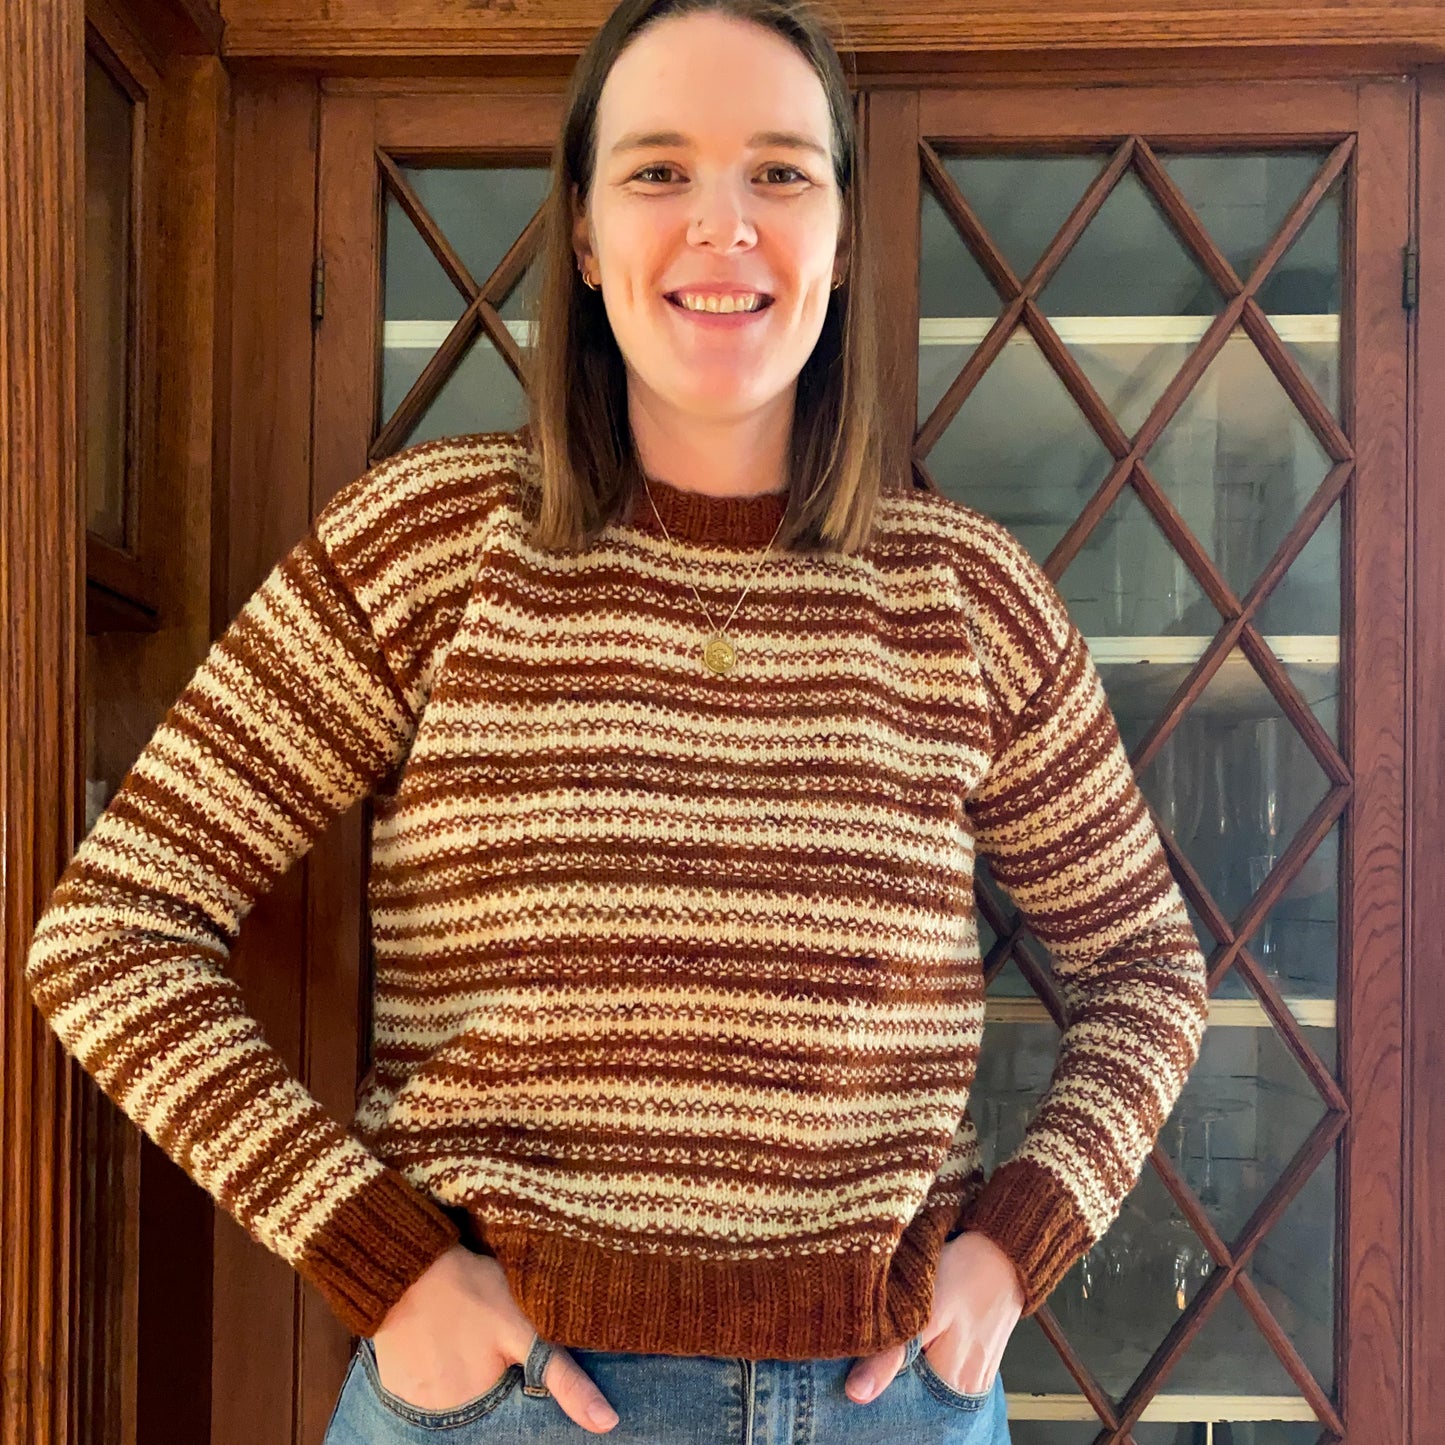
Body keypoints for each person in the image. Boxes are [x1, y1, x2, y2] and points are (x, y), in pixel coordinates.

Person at [24, 0, 1210, 1440]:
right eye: (658, 171)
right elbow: (113, 931)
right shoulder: (429, 547)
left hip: (883, 1402)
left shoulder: (966, 598)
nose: (723, 224)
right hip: (505, 1402)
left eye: (780, 172)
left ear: (840, 232)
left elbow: (1145, 968)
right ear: (582, 237)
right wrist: (387, 1270)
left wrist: (1013, 1245)